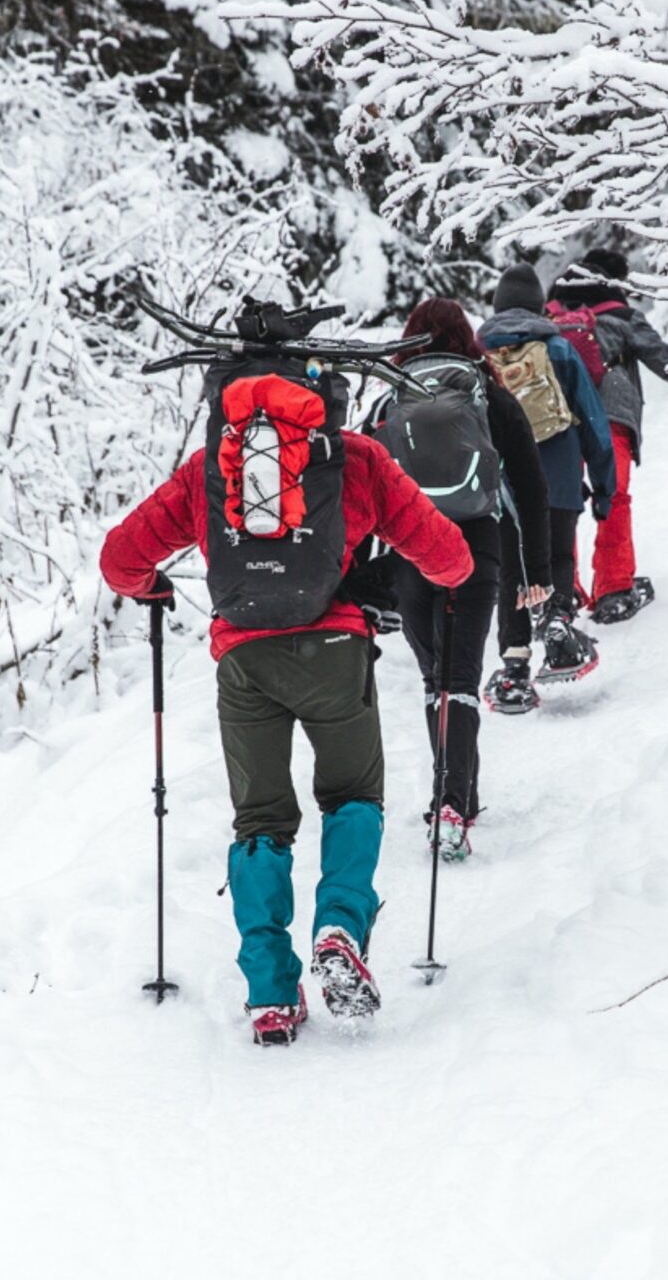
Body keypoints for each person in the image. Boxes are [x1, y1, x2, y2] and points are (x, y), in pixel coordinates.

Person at [99, 416, 472, 1044]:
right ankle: (340, 929)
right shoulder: (355, 458)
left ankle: (271, 995)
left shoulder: (209, 469)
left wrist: (151, 585)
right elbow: (451, 559)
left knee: (260, 821)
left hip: (244, 660)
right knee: (354, 795)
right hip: (334, 649)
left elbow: (119, 561)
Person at [378, 298, 552, 862]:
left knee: (436, 679)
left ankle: (453, 798)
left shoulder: (391, 394)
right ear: (466, 337)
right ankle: (454, 803)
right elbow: (530, 481)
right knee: (461, 676)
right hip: (477, 543)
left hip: (410, 545)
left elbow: (360, 483)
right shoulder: (488, 391)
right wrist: (538, 571)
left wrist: (358, 577)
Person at [547, 247, 668, 623]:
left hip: (558, 419)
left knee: (559, 503)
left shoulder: (548, 317)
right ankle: (613, 591)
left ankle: (561, 592)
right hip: (609, 418)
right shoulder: (622, 317)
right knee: (614, 497)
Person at [479, 262, 616, 710]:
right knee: (557, 554)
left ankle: (514, 668)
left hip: (501, 483)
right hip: (556, 475)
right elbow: (593, 420)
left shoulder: (478, 353)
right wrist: (603, 486)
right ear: (540, 306)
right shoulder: (557, 348)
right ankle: (557, 626)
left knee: (510, 571)